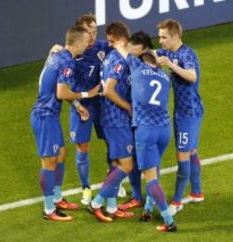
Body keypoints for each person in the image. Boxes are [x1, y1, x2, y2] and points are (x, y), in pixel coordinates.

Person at [30, 26, 100, 221]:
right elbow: (61, 93)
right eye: (86, 41)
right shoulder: (67, 60)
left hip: (49, 115)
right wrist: (87, 94)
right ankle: (49, 209)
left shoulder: (58, 55)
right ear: (77, 43)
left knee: (61, 153)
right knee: (49, 162)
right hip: (45, 117)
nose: (88, 44)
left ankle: (58, 197)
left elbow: (51, 84)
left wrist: (77, 105)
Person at [113, 39, 177, 232]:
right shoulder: (166, 77)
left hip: (145, 129)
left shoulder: (137, 67)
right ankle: (148, 209)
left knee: (150, 176)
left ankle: (168, 221)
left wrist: (116, 42)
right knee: (154, 168)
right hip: (164, 130)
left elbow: (120, 47)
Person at [156, 19, 204, 216]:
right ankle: (197, 192)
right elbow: (151, 54)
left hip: (189, 114)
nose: (160, 41)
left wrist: (170, 65)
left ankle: (176, 201)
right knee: (191, 151)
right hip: (181, 112)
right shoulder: (169, 52)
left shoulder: (186, 54)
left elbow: (192, 76)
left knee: (182, 156)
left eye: (163, 37)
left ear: (175, 37)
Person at [88, 22, 134, 222]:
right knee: (126, 164)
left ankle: (113, 208)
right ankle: (97, 202)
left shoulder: (112, 57)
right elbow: (108, 90)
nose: (108, 44)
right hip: (116, 118)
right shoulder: (117, 60)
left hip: (110, 117)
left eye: (110, 40)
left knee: (116, 164)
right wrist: (128, 107)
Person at [118, 31, 154, 211]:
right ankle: (138, 196)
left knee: (148, 161)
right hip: (136, 118)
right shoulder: (146, 62)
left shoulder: (141, 64)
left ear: (144, 48)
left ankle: (149, 199)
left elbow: (121, 48)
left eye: (134, 45)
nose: (130, 47)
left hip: (144, 121)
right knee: (136, 158)